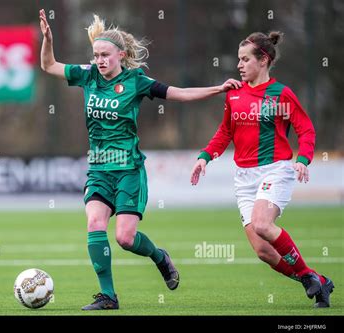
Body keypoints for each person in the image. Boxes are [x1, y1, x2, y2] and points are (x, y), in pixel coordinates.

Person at [39, 9, 241, 310]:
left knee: (125, 237)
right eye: (96, 55)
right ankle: (108, 296)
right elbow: (49, 65)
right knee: (95, 224)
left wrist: (218, 89)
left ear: (120, 55)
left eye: (105, 55)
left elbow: (180, 93)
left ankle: (159, 257)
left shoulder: (137, 81)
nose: (100, 60)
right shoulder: (88, 75)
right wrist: (48, 39)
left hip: (128, 171)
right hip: (98, 169)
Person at [190, 31, 334, 308]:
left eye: (245, 59)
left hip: (275, 169)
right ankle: (317, 280)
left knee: (262, 224)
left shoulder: (281, 94)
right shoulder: (234, 95)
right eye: (239, 59)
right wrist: (205, 156)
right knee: (264, 251)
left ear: (263, 60)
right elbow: (225, 132)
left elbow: (306, 129)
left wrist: (303, 159)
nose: (239, 65)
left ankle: (306, 276)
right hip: (244, 178)